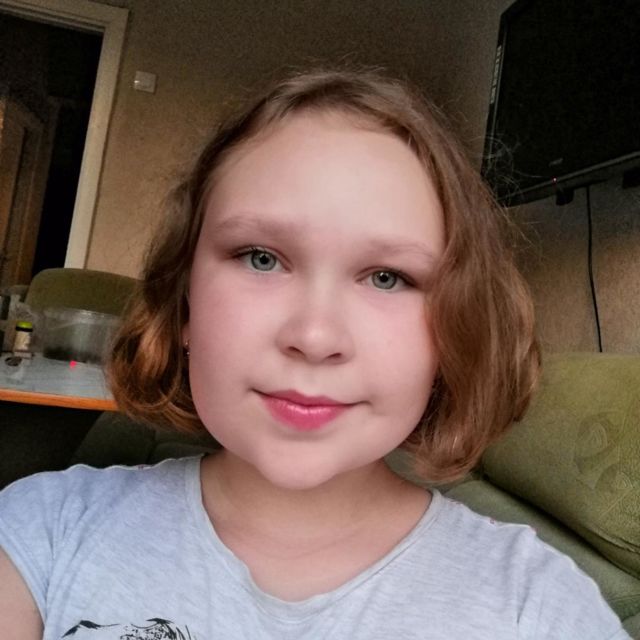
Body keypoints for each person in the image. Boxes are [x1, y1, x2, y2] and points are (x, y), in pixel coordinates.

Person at [0, 68, 630, 640]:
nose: (315, 335)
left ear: (453, 332)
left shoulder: (537, 605)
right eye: (261, 258)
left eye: (386, 277)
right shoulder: (40, 532)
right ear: (184, 300)